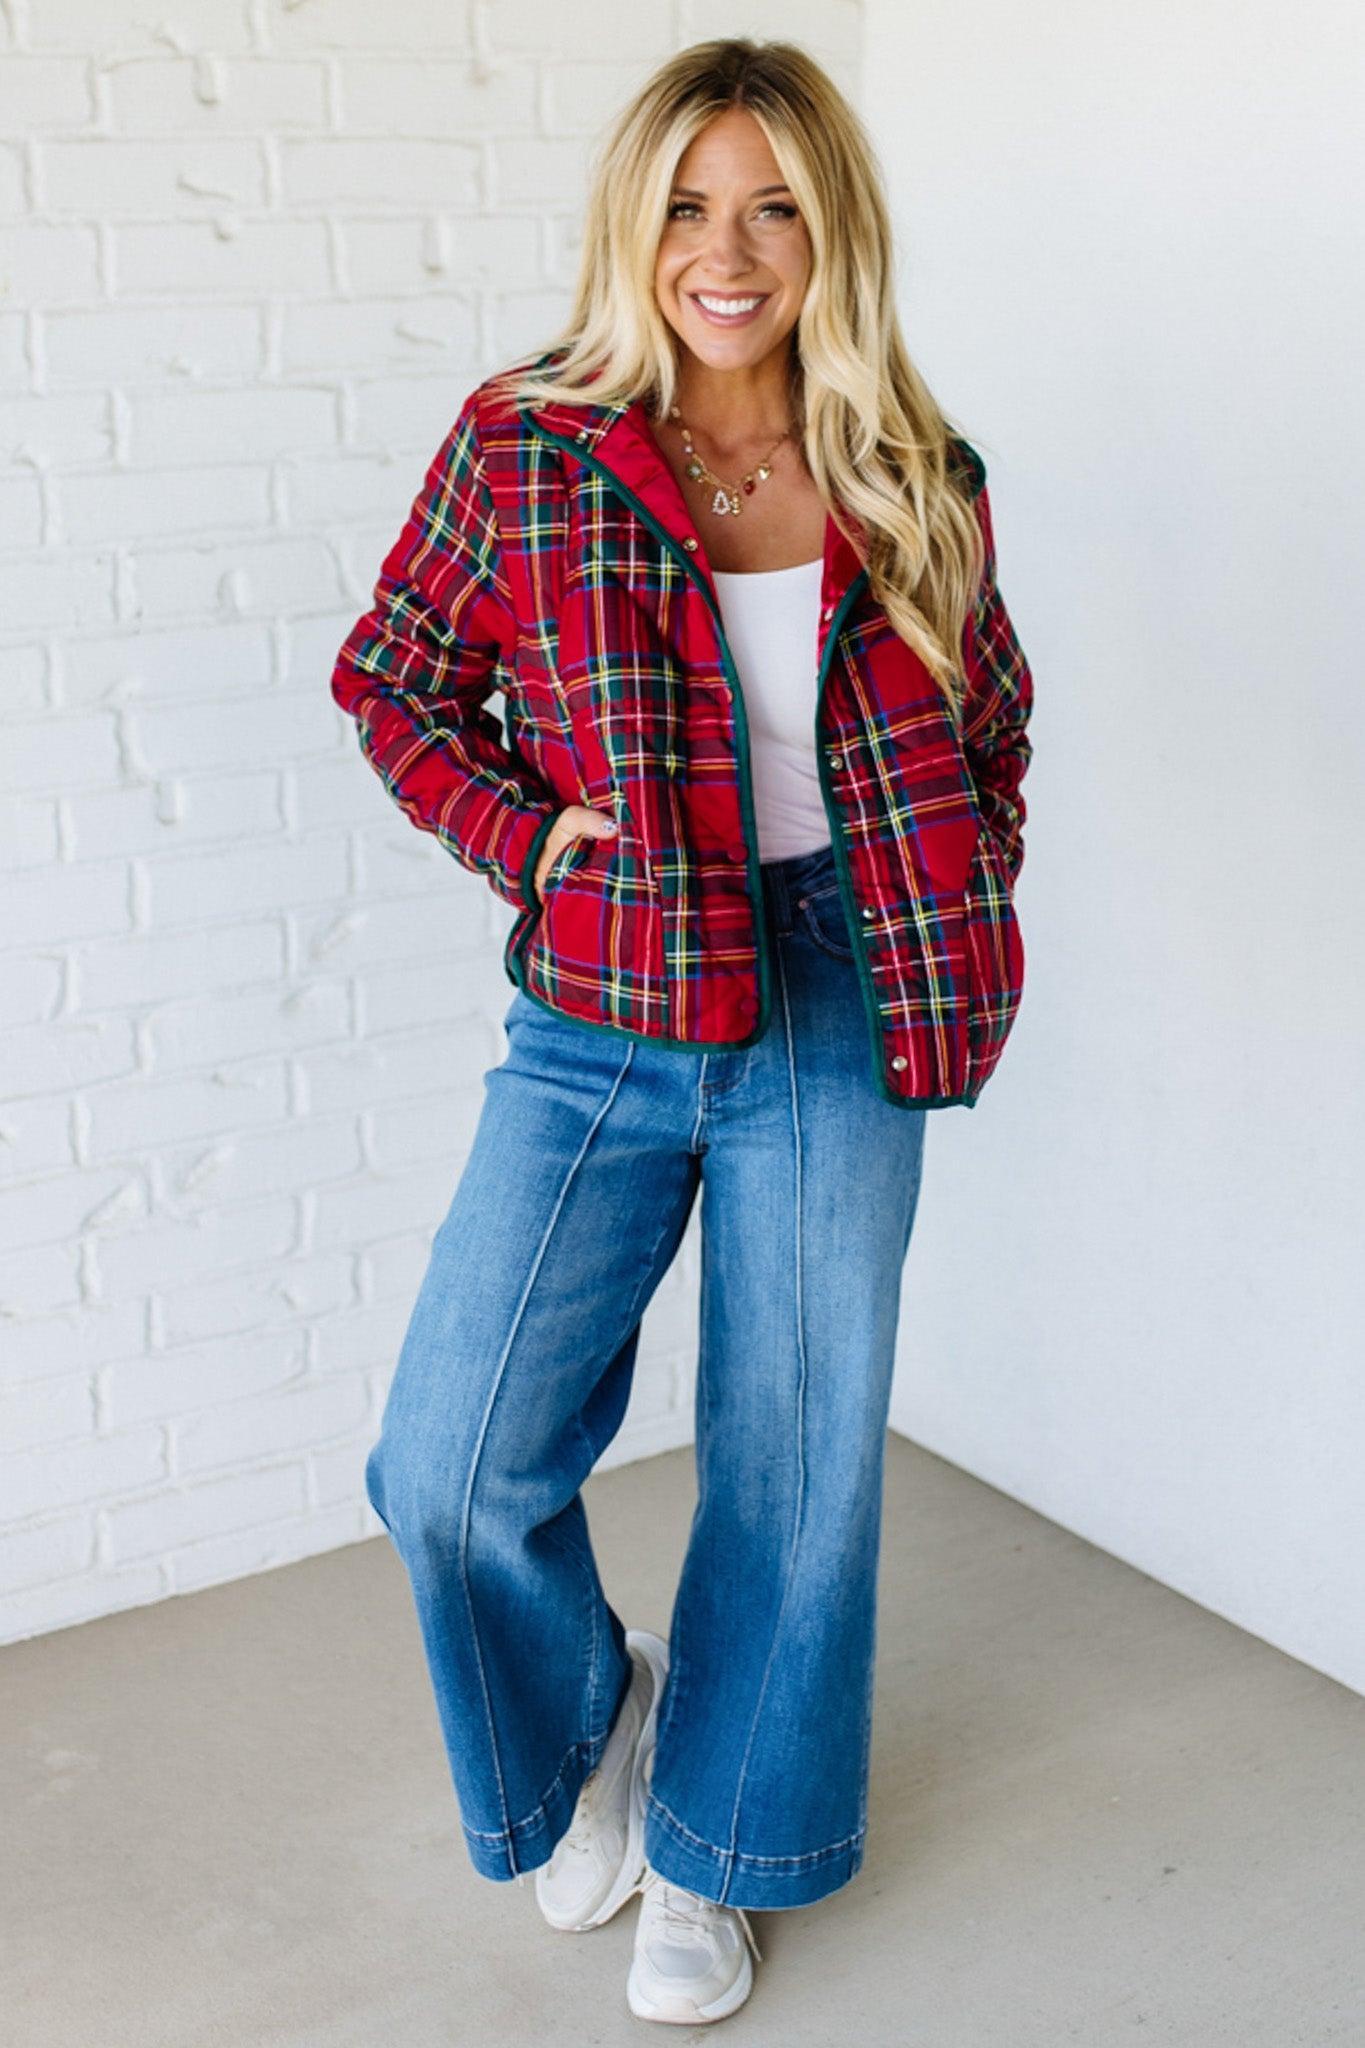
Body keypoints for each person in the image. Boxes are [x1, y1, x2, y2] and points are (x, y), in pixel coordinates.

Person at [330, 35, 1034, 2029]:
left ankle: (727, 1847)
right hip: (605, 990)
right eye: (687, 206)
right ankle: (590, 1718)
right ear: (632, 227)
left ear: (831, 234)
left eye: (773, 207)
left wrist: (961, 884)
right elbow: (392, 679)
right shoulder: (528, 444)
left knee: (794, 1456)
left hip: (839, 985)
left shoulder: (912, 463)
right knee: (445, 1453)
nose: (726, 251)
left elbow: (989, 724)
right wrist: (526, 839)